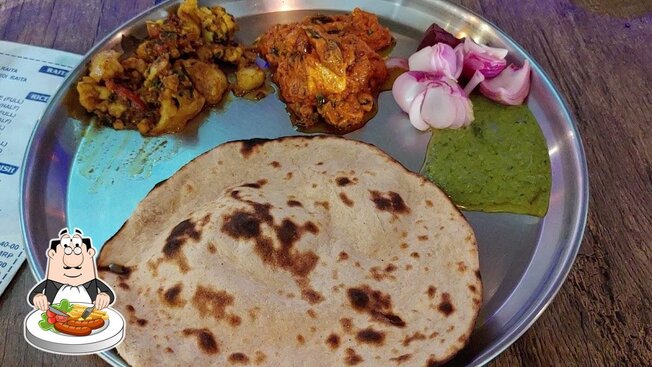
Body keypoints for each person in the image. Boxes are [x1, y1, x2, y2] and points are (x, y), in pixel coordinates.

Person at [27, 228, 114, 311]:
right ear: (52, 254)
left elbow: (109, 294)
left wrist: (104, 296)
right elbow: (34, 295)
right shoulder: (50, 283)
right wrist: (38, 298)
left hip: (90, 319)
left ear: (90, 253)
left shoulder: (93, 283)